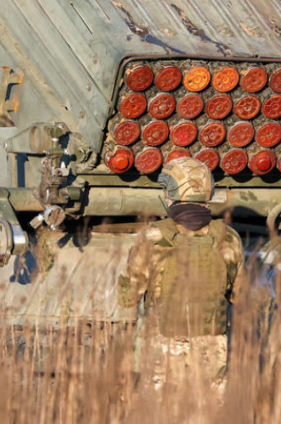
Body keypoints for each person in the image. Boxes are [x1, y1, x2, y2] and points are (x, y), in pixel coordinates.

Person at [117, 157, 243, 389]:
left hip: (163, 343)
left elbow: (126, 298)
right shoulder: (229, 237)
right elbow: (239, 296)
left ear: (171, 193)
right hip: (213, 346)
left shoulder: (153, 235)